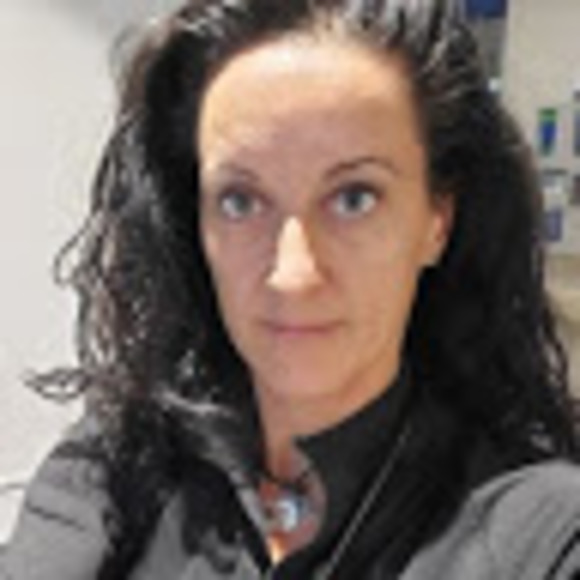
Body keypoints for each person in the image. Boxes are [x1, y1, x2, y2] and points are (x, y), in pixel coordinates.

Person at [2, 0, 580, 578]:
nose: (293, 274)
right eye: (240, 201)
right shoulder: (118, 468)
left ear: (437, 222)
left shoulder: (542, 535)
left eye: (354, 198)